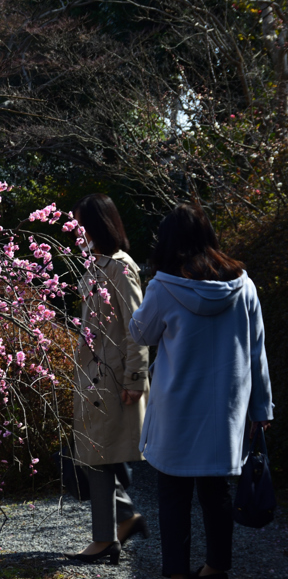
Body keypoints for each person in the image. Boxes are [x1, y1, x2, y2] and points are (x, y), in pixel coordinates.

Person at [129, 203, 273, 579]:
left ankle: (175, 572)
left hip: (177, 409)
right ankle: (215, 569)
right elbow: (257, 351)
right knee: (216, 493)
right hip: (225, 412)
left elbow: (141, 335)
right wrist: (262, 409)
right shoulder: (243, 285)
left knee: (173, 497)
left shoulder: (163, 286)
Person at [65, 193, 150, 566]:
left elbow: (137, 328)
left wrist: (135, 377)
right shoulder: (96, 265)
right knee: (95, 453)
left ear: (97, 225)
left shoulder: (120, 267)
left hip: (112, 378)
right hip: (95, 375)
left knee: (97, 455)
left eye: (81, 224)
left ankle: (105, 539)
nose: (76, 232)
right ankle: (124, 517)